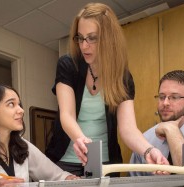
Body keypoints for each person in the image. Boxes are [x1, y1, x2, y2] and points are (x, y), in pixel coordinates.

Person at [45, 2, 168, 177]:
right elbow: (67, 115)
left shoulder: (122, 77)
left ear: (109, 39)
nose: (84, 46)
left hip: (106, 164)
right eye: (80, 37)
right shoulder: (68, 65)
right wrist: (82, 141)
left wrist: (149, 150)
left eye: (92, 38)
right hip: (66, 160)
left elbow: (128, 129)